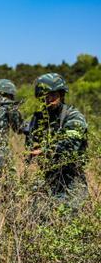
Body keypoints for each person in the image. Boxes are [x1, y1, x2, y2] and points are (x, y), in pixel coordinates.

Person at [25, 73, 88, 209]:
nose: (49, 99)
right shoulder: (39, 119)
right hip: (46, 180)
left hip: (70, 182)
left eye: (53, 94)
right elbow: (30, 144)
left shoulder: (73, 116)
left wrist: (45, 151)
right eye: (45, 95)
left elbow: (70, 145)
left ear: (61, 94)